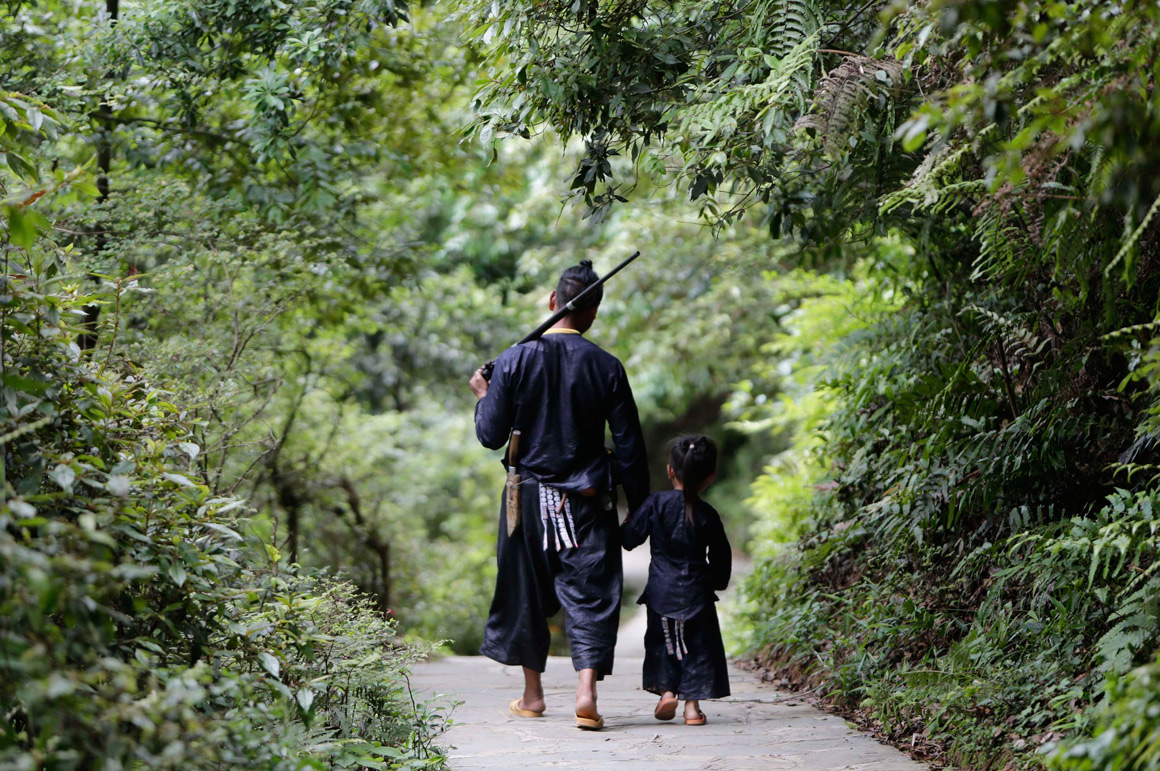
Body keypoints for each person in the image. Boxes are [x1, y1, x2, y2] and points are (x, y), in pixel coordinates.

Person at [469, 259, 649, 731]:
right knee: (592, 593)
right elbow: (630, 447)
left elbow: (490, 435)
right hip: (588, 500)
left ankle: (533, 696)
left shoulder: (515, 360)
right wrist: (639, 512)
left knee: (526, 591)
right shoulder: (607, 366)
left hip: (526, 502)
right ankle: (586, 691)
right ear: (593, 312)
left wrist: (484, 394)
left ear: (553, 301)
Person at [621, 435, 732, 726]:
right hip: (698, 594)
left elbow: (629, 539)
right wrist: (715, 582)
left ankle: (668, 692)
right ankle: (692, 709)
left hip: (661, 591)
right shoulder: (708, 514)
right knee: (698, 648)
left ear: (670, 470)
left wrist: (629, 518)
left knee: (663, 644)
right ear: (710, 477)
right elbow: (721, 559)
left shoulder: (656, 504)